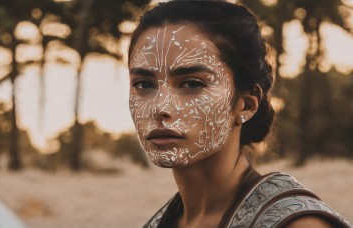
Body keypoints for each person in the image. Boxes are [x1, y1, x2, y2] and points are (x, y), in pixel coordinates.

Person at [127, 1, 351, 227]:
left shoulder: (298, 224)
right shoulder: (160, 222)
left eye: (192, 83)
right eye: (144, 84)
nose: (159, 107)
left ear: (245, 105)